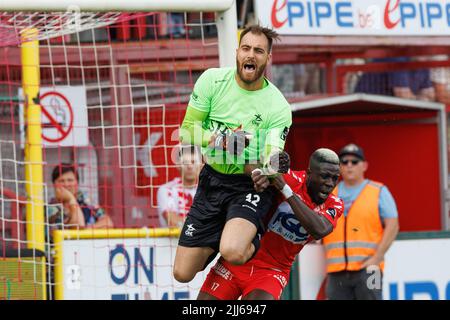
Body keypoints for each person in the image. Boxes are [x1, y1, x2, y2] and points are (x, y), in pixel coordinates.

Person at [173, 24, 292, 283]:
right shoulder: (212, 80)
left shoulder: (278, 106)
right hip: (213, 179)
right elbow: (186, 131)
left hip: (247, 184)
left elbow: (273, 154)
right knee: (182, 274)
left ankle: (251, 239)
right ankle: (224, 233)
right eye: (246, 48)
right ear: (237, 52)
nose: (251, 55)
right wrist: (221, 141)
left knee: (234, 251)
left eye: (259, 51)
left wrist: (268, 170)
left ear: (268, 58)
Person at [197, 148, 343, 300]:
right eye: (325, 176)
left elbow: (319, 230)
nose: (330, 183)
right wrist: (264, 165)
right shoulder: (290, 179)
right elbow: (257, 169)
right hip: (240, 258)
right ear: (309, 173)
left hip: (272, 271)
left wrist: (285, 191)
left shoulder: (335, 204)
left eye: (335, 178)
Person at [322, 143, 399, 300]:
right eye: (344, 162)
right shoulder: (328, 194)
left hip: (372, 268)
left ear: (364, 166)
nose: (349, 165)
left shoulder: (379, 191)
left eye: (354, 161)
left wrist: (378, 257)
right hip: (336, 270)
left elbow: (393, 225)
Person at [47, 164, 114, 229]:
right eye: (61, 181)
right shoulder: (51, 207)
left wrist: (87, 230)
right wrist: (71, 199)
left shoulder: (84, 199)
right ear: (54, 184)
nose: (66, 184)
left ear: (77, 183)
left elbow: (108, 222)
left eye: (70, 180)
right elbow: (78, 225)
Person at [157, 145, 203, 228]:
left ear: (200, 165)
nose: (189, 166)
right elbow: (172, 221)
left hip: (202, 239)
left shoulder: (207, 190)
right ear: (178, 165)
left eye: (193, 162)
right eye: (185, 162)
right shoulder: (166, 190)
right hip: (172, 240)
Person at [354, 57, 435, 101]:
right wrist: (419, 98)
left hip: (385, 109)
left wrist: (416, 98)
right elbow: (403, 95)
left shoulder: (423, 62)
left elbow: (430, 96)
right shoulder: (397, 56)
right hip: (364, 107)